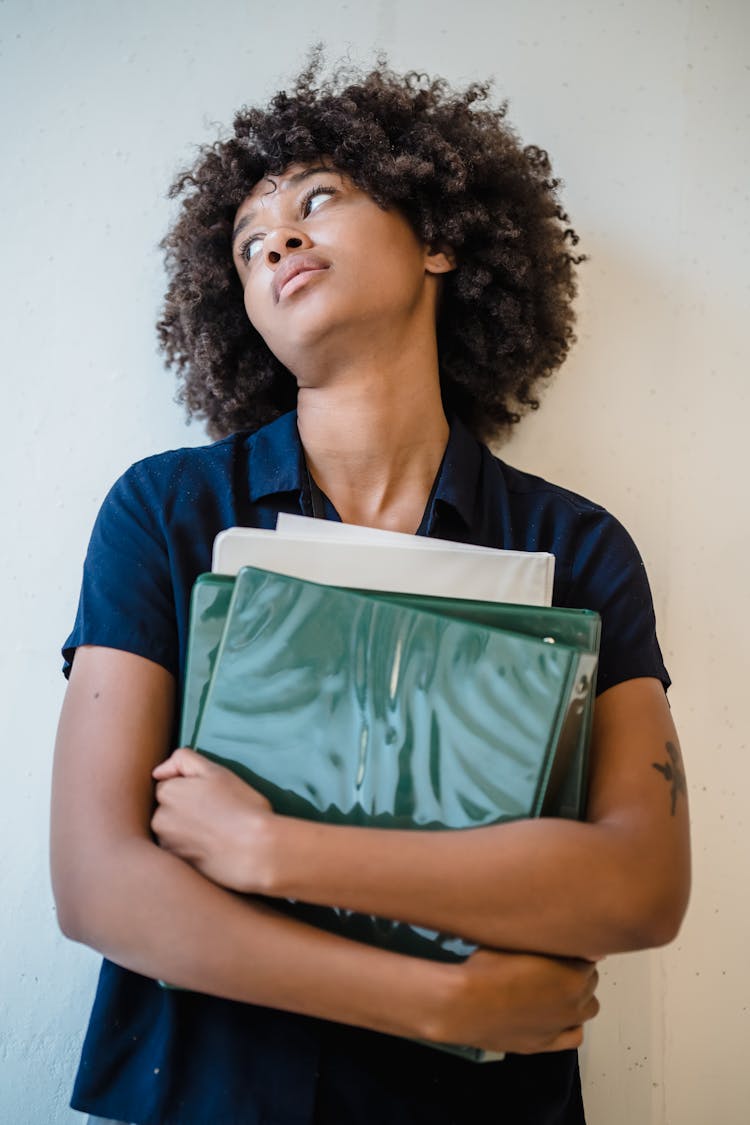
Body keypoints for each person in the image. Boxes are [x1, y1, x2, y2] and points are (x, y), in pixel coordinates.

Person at [51, 57, 690, 1125]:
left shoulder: (576, 545)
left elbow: (639, 885)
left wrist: (270, 848)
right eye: (250, 244)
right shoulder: (164, 516)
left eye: (317, 201)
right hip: (213, 1096)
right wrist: (434, 1000)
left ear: (442, 240)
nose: (279, 242)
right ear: (239, 310)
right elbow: (97, 883)